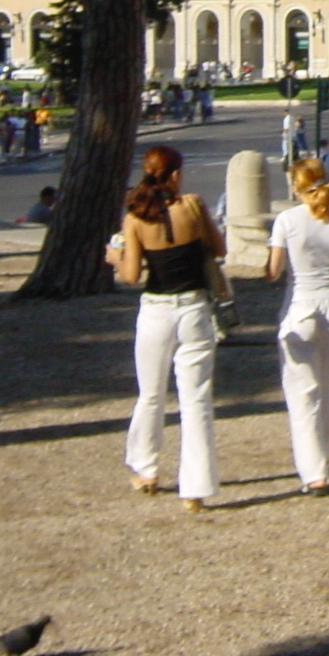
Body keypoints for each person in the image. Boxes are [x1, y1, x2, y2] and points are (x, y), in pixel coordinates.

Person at [113, 145, 225, 512]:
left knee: (150, 394)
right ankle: (195, 487)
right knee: (196, 400)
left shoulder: (135, 217)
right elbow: (219, 248)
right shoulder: (193, 206)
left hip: (157, 309)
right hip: (193, 307)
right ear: (174, 175)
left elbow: (131, 275)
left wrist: (115, 257)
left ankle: (146, 468)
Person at [267, 157, 329, 494]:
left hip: (300, 307)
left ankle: (314, 473)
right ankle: (322, 457)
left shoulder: (286, 220)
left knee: (301, 393)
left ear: (296, 187)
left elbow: (274, 271)